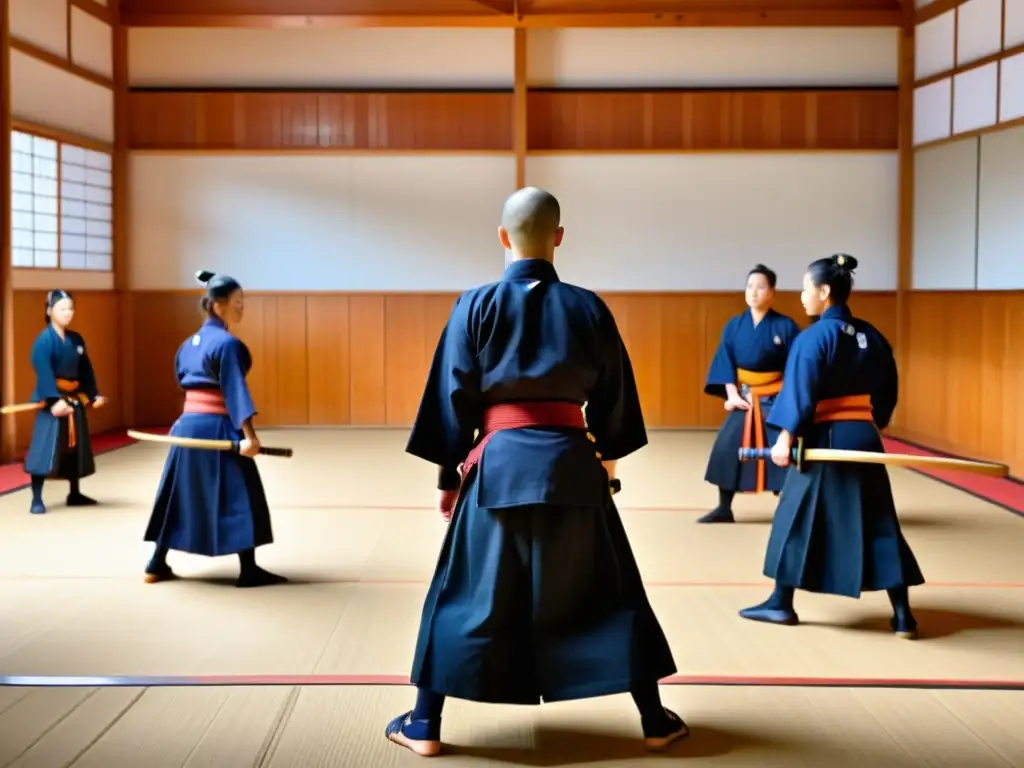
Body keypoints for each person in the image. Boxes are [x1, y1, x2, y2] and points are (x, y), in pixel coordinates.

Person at [384, 187, 687, 757]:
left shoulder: (474, 305)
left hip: (496, 468)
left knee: (463, 593)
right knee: (610, 590)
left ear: (502, 237)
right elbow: (615, 402)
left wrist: (448, 482)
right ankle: (654, 720)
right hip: (574, 465)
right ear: (560, 237)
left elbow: (453, 399)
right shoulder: (588, 307)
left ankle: (425, 723)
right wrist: (606, 469)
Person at [738, 254, 923, 639]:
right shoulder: (871, 335)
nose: (803, 296)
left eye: (807, 288)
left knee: (794, 516)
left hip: (825, 438)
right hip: (863, 438)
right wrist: (874, 422)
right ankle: (903, 614)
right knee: (878, 520)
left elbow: (801, 395)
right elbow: (888, 386)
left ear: (824, 292)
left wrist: (785, 439)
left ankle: (780, 603)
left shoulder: (812, 339)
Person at [142, 270, 286, 588]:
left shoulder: (188, 344)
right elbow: (235, 392)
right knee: (240, 493)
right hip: (218, 426)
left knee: (178, 493)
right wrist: (250, 436)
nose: (241, 308)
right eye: (237, 302)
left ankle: (156, 562)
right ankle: (248, 569)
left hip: (186, 428)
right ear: (216, 306)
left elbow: (184, 380)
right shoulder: (227, 344)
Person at [700, 265, 801, 524]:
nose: (753, 292)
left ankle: (788, 510)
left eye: (760, 287)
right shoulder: (734, 326)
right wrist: (732, 395)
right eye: (749, 286)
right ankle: (724, 507)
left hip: (775, 399)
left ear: (772, 292)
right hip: (743, 398)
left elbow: (797, 366)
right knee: (727, 447)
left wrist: (786, 399)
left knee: (783, 449)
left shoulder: (785, 326)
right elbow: (725, 362)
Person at [24, 290, 107, 515]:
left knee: (74, 448)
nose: (68, 313)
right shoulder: (44, 341)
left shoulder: (76, 339)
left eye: (71, 308)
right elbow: (43, 372)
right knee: (44, 448)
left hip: (73, 400)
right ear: (49, 311)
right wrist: (53, 401)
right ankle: (37, 498)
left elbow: (85, 370)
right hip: (52, 401)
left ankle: (74, 492)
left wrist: (92, 395)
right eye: (62, 309)